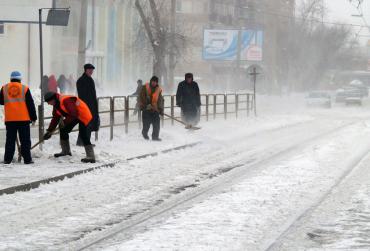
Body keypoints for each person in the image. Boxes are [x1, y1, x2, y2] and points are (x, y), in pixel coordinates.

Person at [43, 91, 96, 163]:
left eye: (49, 102)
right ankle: (66, 151)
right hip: (73, 116)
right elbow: (55, 118)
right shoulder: (56, 105)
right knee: (63, 129)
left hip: (83, 115)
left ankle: (91, 156)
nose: (49, 104)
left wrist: (64, 122)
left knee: (83, 134)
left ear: (53, 99)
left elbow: (74, 113)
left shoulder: (66, 100)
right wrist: (49, 131)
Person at [0, 71, 37, 164]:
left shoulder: (4, 88)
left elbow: (1, 101)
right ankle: (27, 160)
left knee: (10, 141)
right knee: (25, 140)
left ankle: (7, 159)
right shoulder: (24, 88)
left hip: (10, 120)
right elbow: (30, 104)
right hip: (23, 119)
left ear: (11, 79)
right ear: (20, 79)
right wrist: (33, 117)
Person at [76, 64, 99, 146]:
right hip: (85, 106)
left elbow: (93, 94)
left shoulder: (90, 80)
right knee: (85, 125)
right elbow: (82, 95)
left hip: (91, 106)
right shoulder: (81, 80)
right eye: (90, 70)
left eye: (92, 70)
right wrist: (86, 106)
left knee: (88, 125)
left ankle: (84, 142)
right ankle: (82, 142)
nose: (91, 72)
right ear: (85, 70)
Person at [138, 76, 164, 141]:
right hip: (146, 109)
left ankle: (155, 137)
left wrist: (160, 109)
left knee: (156, 124)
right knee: (146, 124)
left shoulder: (158, 90)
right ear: (151, 81)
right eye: (153, 81)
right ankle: (144, 133)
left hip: (155, 110)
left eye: (155, 82)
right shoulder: (145, 88)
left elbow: (160, 100)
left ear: (157, 83)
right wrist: (146, 105)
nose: (154, 83)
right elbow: (141, 97)